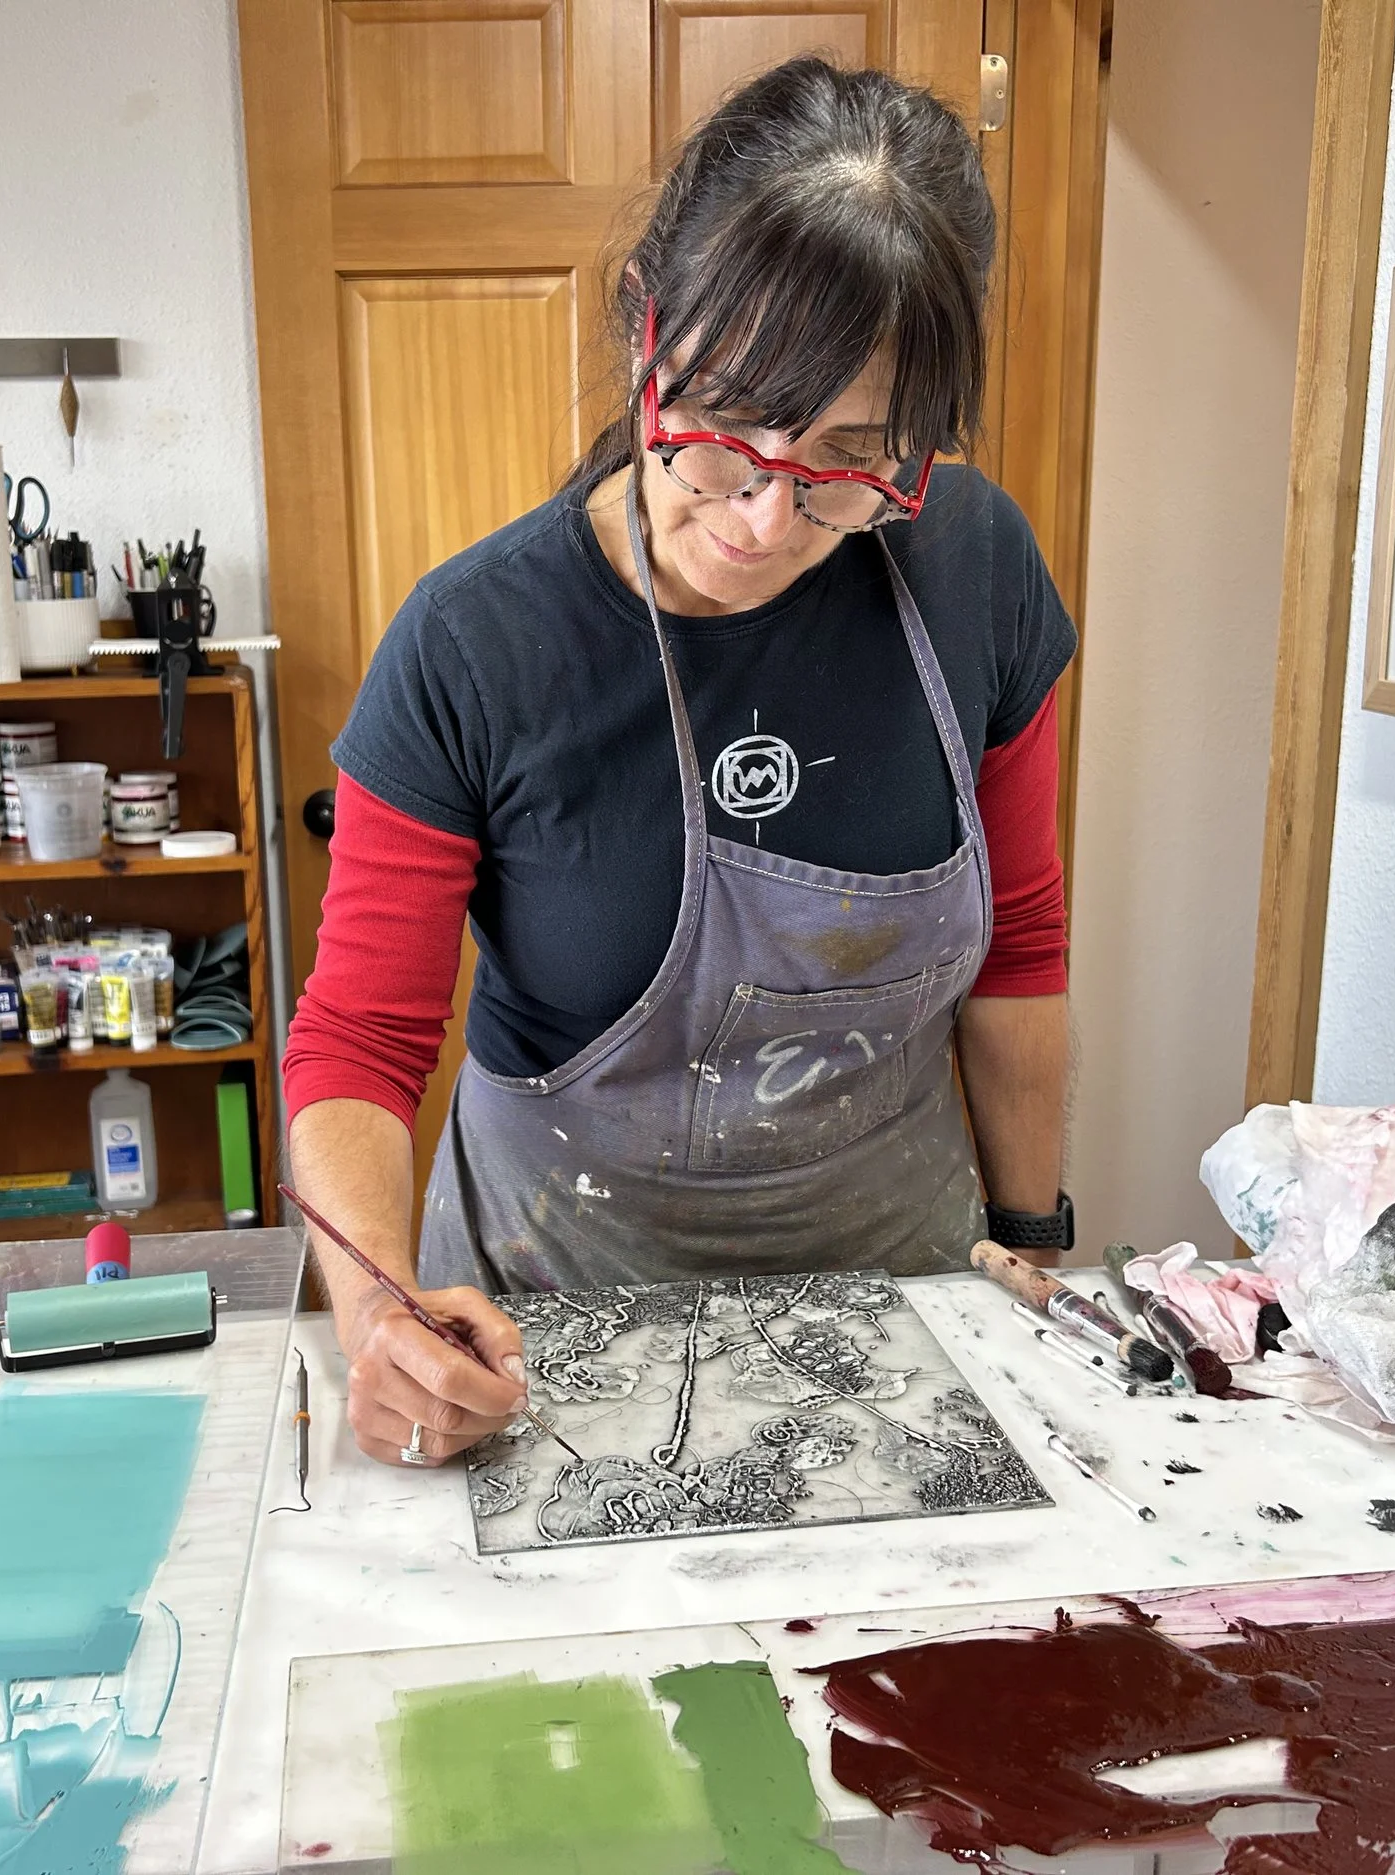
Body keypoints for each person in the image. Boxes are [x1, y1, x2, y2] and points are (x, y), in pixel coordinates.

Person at [282, 56, 1077, 1468]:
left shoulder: (975, 568)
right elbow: (359, 1039)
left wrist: (1034, 1242)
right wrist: (382, 1315)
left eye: (848, 456)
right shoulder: (479, 643)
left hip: (895, 1334)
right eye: (723, 426)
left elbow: (1019, 948)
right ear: (649, 320)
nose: (767, 515)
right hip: (556, 1359)